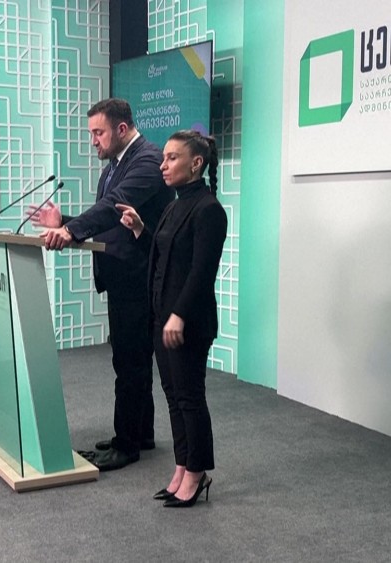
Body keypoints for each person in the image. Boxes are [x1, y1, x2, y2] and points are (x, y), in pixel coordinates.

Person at [29, 98, 174, 471]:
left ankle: (126, 445)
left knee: (130, 362)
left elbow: (114, 206)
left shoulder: (146, 161)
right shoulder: (116, 165)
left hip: (140, 278)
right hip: (123, 277)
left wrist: (70, 231)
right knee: (129, 360)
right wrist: (65, 220)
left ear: (121, 129)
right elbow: (110, 219)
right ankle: (139, 433)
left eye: (98, 132)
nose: (93, 140)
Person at [116, 130, 227, 507]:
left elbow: (201, 273)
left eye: (172, 158)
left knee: (190, 398)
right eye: (163, 158)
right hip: (163, 318)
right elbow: (163, 258)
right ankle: (182, 466)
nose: (162, 165)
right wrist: (140, 230)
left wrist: (178, 315)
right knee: (174, 398)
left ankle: (197, 472)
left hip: (188, 322)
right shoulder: (173, 207)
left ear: (196, 164)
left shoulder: (209, 210)